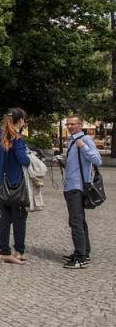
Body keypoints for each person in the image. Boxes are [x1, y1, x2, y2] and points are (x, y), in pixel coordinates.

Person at [61, 115, 102, 269]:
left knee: (75, 222)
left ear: (80, 124)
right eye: (68, 124)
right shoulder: (72, 141)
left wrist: (83, 146)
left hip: (77, 188)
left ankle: (80, 258)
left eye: (73, 124)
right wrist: (63, 160)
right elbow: (75, 164)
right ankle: (84, 251)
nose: (70, 126)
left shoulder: (84, 140)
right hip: (71, 186)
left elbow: (97, 160)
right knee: (80, 221)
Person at [0, 108, 31, 265]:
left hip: (1, 183)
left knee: (5, 219)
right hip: (15, 183)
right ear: (20, 121)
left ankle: (4, 252)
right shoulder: (17, 138)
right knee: (19, 218)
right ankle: (19, 251)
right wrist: (30, 158)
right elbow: (23, 160)